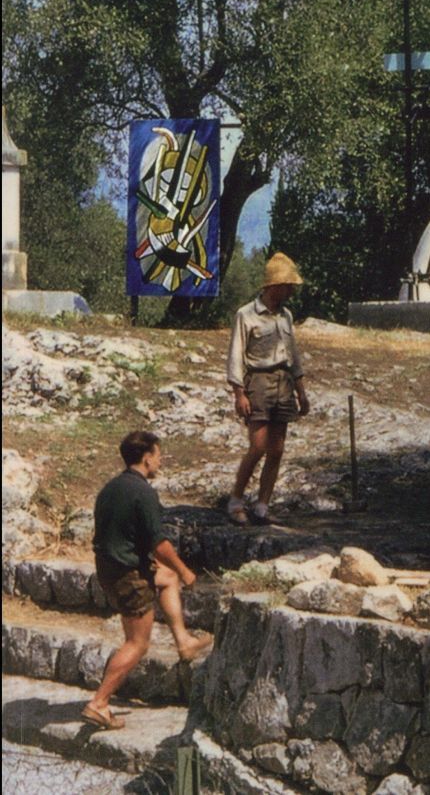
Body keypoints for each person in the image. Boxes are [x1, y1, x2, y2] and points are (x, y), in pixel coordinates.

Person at [83, 431, 211, 730]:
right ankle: (99, 703)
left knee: (165, 579)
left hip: (110, 569)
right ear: (147, 457)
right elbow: (159, 544)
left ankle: (184, 642)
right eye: (158, 454)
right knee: (138, 643)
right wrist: (185, 570)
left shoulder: (111, 488)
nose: (160, 460)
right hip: (128, 575)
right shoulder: (143, 492)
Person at [226, 252, 309, 526]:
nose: (291, 291)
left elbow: (293, 354)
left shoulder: (286, 316)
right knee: (258, 446)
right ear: (274, 286)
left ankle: (262, 505)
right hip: (258, 383)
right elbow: (236, 354)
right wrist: (239, 394)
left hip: (283, 383)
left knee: (277, 448)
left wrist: (301, 390)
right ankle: (236, 500)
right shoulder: (246, 315)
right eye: (288, 286)